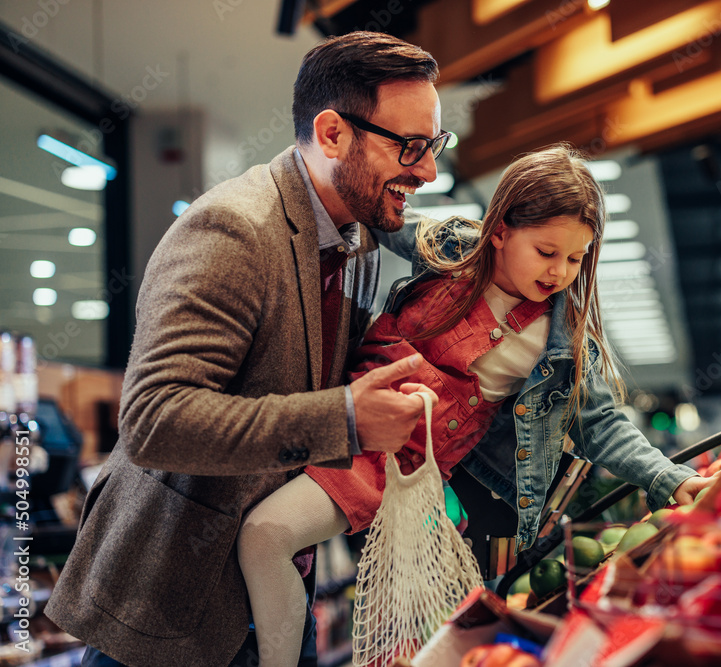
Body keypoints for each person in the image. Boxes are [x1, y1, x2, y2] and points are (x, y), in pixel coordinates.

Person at [43, 31, 447, 667]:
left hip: (275, 595)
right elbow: (154, 419)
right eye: (412, 147)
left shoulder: (356, 239)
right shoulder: (234, 228)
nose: (427, 170)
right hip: (175, 608)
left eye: (434, 146)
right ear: (333, 133)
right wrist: (343, 416)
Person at [238, 144, 714, 666]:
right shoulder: (451, 249)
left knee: (267, 538)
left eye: (576, 259)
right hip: (335, 414)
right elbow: (377, 213)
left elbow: (600, 423)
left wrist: (669, 478)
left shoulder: (560, 340)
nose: (560, 272)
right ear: (501, 230)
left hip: (392, 469)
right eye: (547, 251)